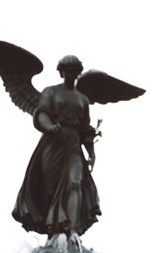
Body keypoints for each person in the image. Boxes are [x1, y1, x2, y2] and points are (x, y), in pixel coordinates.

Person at [12, 55, 101, 243]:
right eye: (67, 70)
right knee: (49, 189)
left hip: (73, 146)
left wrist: (91, 152)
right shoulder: (50, 92)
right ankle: (52, 231)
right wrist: (50, 127)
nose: (70, 74)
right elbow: (41, 113)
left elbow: (85, 128)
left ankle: (73, 230)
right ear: (61, 72)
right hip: (52, 144)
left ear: (78, 73)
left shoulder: (82, 99)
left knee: (75, 182)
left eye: (74, 70)